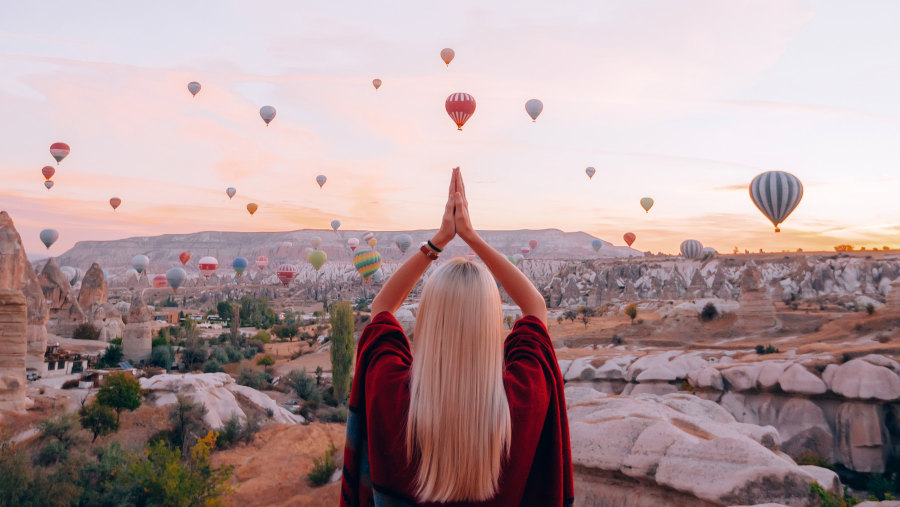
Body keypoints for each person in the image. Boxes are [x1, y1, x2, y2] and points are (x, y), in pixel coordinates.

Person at [340, 168, 573, 506]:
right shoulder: (524, 396)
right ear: (490, 321)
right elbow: (535, 308)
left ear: (430, 318)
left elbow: (381, 310)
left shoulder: (390, 392)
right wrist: (472, 237)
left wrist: (439, 241)